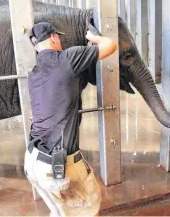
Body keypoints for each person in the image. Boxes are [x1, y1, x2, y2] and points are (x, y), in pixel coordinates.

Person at [24, 22, 117, 217]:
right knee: (87, 210)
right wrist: (93, 38)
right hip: (58, 166)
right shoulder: (67, 58)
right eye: (59, 38)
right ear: (54, 38)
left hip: (33, 162)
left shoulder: (33, 75)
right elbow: (110, 45)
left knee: (59, 212)